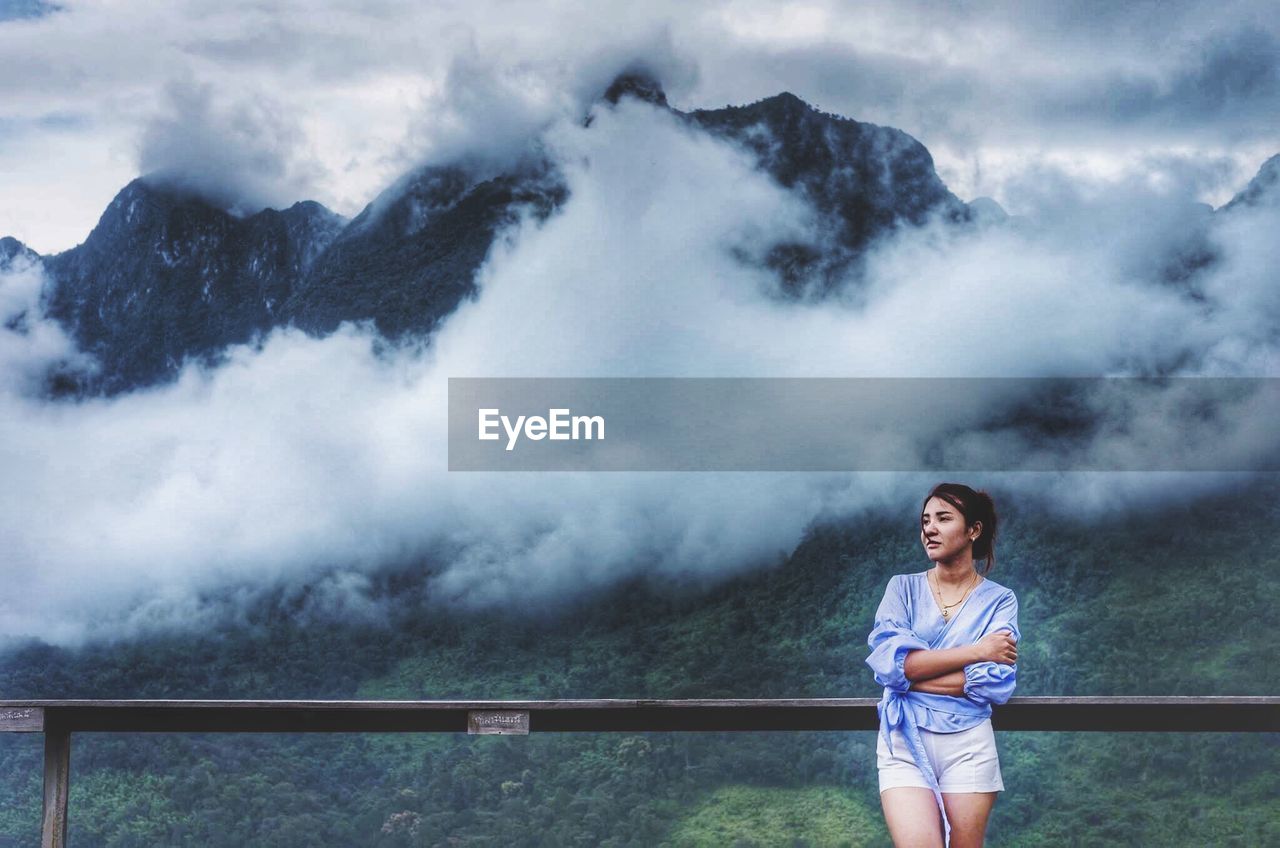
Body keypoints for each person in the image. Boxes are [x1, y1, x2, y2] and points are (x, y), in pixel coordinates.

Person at [866, 483, 1019, 848]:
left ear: (973, 530)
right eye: (925, 521)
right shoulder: (901, 589)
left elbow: (993, 683)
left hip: (968, 742)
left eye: (943, 518)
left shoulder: (1000, 600)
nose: (929, 529)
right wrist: (977, 651)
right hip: (903, 739)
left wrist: (909, 674)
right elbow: (887, 664)